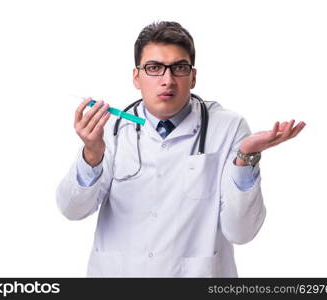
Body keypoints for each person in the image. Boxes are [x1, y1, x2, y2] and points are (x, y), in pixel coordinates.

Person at [56, 21, 306, 277]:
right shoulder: (110, 129)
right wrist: (92, 154)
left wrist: (246, 159)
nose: (168, 80)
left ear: (193, 76)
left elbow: (241, 232)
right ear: (136, 77)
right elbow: (72, 210)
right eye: (154, 68)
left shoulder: (228, 128)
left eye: (179, 68)